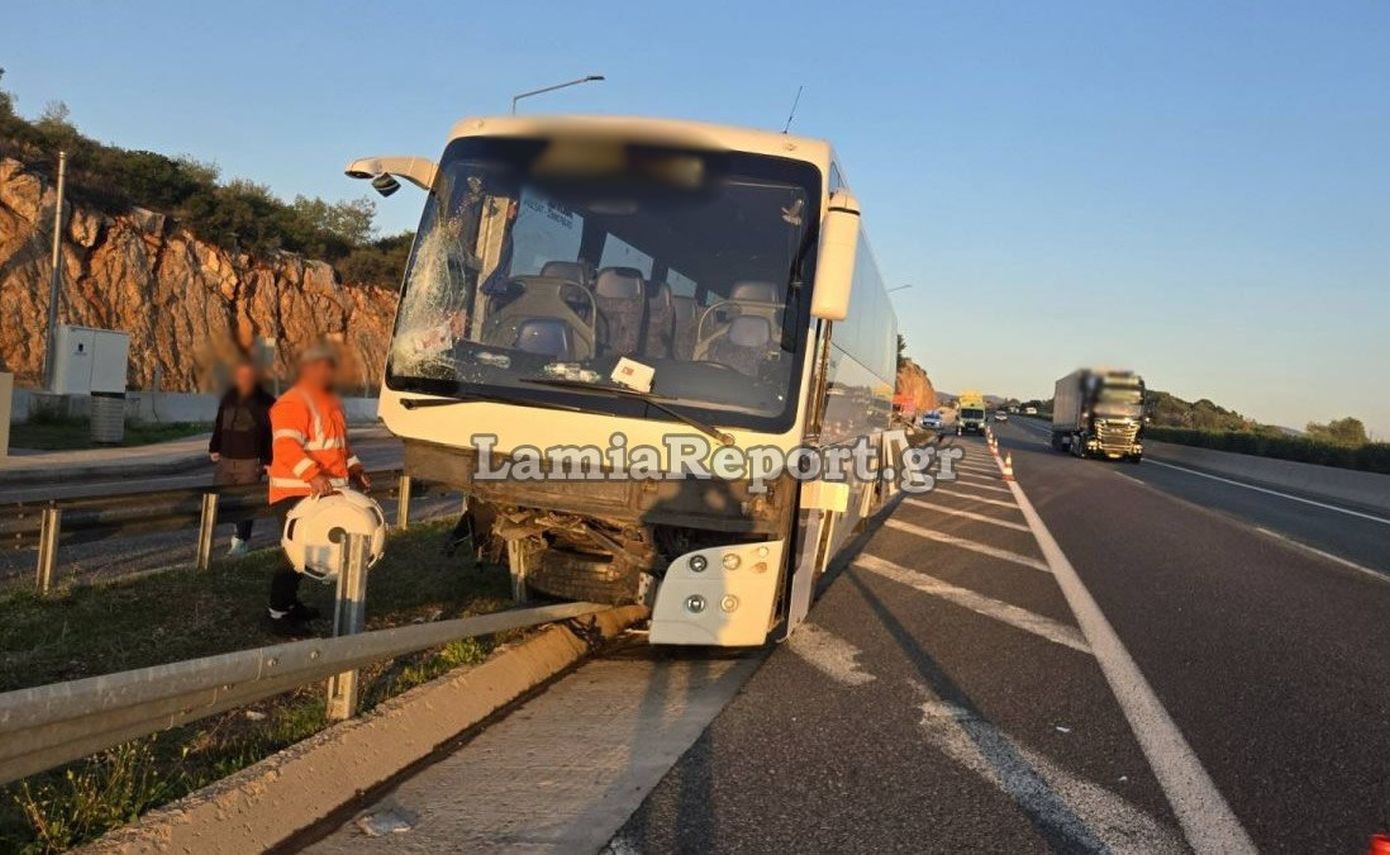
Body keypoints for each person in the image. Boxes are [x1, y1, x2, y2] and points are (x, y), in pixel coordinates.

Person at [264, 344, 372, 637]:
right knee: (296, 553)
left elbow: (340, 446)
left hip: (324, 493)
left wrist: (355, 469)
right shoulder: (293, 403)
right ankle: (277, 614)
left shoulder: (331, 403)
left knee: (307, 554)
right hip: (296, 492)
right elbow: (285, 446)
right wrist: (312, 475)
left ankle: (288, 605)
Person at [209, 359, 275, 556]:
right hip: (225, 459)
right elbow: (220, 423)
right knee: (219, 501)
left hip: (250, 461)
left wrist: (267, 460)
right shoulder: (228, 397)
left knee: (246, 502)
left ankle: (241, 541)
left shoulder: (266, 402)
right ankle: (211, 538)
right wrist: (214, 447)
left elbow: (271, 433)